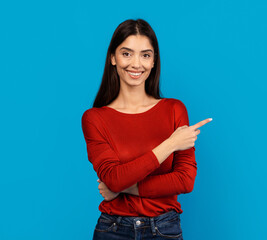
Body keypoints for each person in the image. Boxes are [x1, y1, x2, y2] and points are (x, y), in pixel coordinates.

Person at [81, 19, 212, 240]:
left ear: (153, 62)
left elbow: (185, 180)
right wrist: (171, 143)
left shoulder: (174, 109)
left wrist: (123, 188)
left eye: (145, 55)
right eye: (126, 53)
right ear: (113, 58)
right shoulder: (95, 118)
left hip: (164, 229)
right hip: (113, 230)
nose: (136, 64)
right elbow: (113, 178)